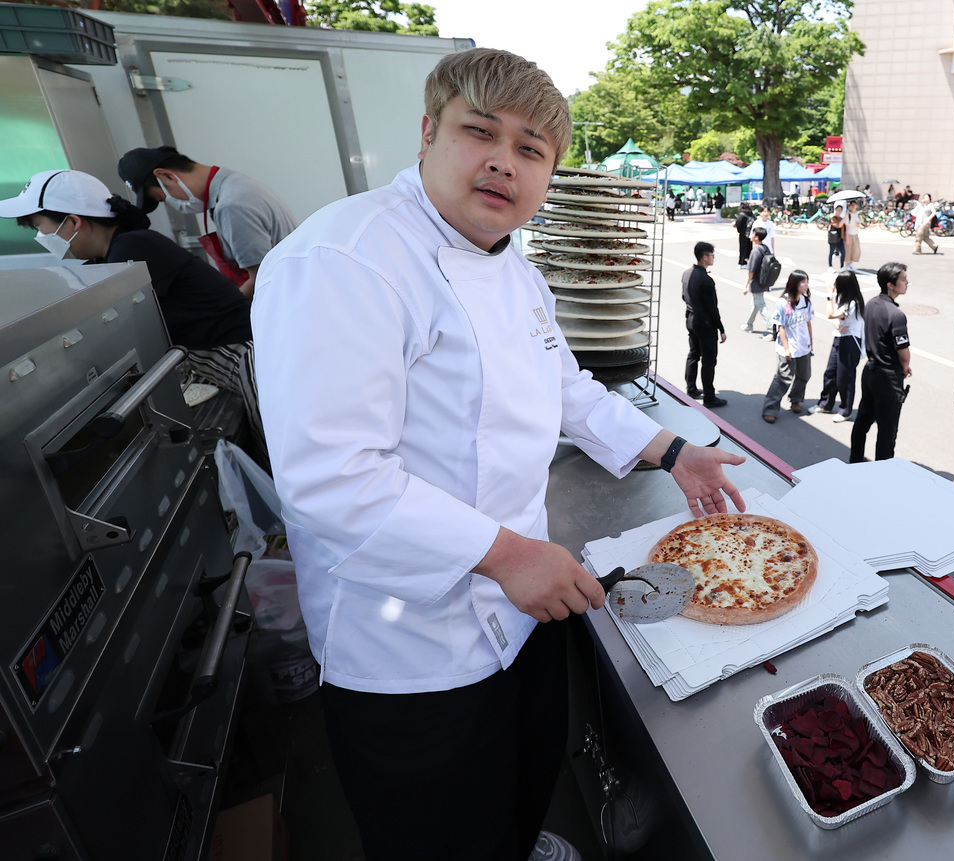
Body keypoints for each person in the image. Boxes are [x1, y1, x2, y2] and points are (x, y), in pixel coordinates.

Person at [247, 49, 746, 861]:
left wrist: (672, 448)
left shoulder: (511, 266)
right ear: (426, 134)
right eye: (480, 133)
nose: (501, 162)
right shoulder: (344, 258)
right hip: (408, 648)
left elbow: (566, 387)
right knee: (442, 831)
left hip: (519, 608)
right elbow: (332, 479)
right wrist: (508, 553)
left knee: (524, 779)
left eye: (529, 149)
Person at [1, 168, 262, 438]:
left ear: (73, 222)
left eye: (39, 227)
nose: (40, 236)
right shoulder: (109, 259)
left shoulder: (133, 249)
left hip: (246, 356)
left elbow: (115, 330)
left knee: (285, 452)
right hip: (222, 359)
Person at [119, 145, 296, 300]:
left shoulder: (230, 205)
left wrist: (230, 308)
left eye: (163, 197)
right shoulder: (233, 182)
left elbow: (261, 277)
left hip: (285, 296)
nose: (172, 202)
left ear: (166, 176)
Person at [851, 262, 911, 462]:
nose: (907, 282)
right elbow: (903, 353)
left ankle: (855, 460)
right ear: (890, 285)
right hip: (888, 378)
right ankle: (882, 474)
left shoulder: (872, 304)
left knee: (863, 420)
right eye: (903, 279)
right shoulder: (896, 315)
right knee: (887, 430)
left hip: (870, 372)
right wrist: (904, 367)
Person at [762, 270, 815, 423]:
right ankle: (770, 408)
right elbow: (781, 328)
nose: (806, 285)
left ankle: (796, 399)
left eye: (807, 281)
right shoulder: (783, 303)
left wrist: (811, 342)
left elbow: (808, 322)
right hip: (788, 347)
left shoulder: (806, 301)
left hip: (803, 347)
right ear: (794, 284)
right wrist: (786, 348)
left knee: (804, 375)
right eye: (802, 282)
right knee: (783, 378)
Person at [682, 241, 727, 407]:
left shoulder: (687, 274)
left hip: (691, 320)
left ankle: (691, 388)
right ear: (704, 257)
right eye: (711, 255)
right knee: (708, 361)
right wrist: (721, 329)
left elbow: (683, 297)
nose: (713, 258)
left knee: (693, 354)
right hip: (705, 324)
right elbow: (712, 308)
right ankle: (709, 396)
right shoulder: (706, 281)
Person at [816, 271, 865, 422]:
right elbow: (834, 318)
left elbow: (830, 314)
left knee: (845, 377)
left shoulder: (853, 303)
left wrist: (829, 294)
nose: (835, 285)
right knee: (830, 373)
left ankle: (845, 410)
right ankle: (826, 403)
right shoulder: (844, 299)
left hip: (851, 342)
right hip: (840, 338)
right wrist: (837, 324)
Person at [742, 226, 772, 332]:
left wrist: (746, 285)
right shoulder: (765, 248)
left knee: (761, 306)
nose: (751, 235)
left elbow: (751, 271)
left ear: (756, 237)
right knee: (754, 304)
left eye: (753, 234)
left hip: (756, 283)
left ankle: (771, 328)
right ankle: (748, 324)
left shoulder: (755, 251)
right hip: (764, 281)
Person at [735, 201, 754, 266]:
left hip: (743, 233)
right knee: (750, 248)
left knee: (743, 248)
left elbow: (739, 224)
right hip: (750, 233)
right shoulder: (751, 213)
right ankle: (749, 261)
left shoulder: (742, 214)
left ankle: (742, 262)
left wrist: (739, 230)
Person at [844, 200, 863, 267]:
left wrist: (858, 224)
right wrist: (846, 237)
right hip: (849, 234)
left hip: (855, 233)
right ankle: (847, 264)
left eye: (854, 205)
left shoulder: (857, 214)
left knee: (857, 250)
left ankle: (851, 263)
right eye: (852, 205)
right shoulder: (848, 215)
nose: (853, 206)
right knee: (848, 250)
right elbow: (846, 225)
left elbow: (858, 224)